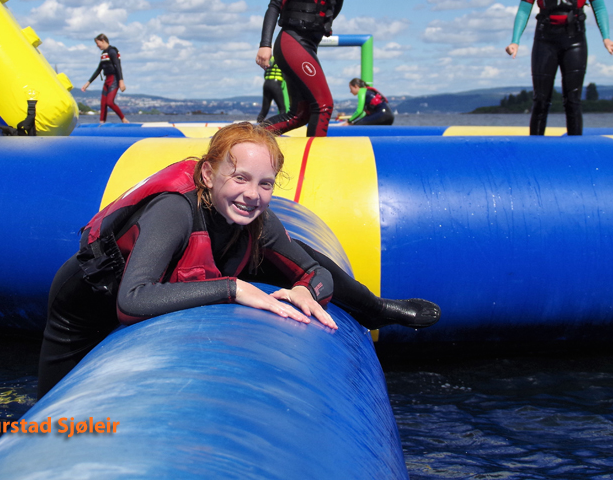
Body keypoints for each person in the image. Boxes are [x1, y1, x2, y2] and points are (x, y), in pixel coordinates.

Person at [38, 122, 440, 397]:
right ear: (208, 175)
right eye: (240, 178)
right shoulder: (173, 211)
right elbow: (132, 301)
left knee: (301, 254)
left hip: (195, 266)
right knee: (56, 426)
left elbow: (316, 272)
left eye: (265, 184)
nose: (252, 194)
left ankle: (374, 309)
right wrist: (233, 289)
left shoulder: (258, 219)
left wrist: (306, 291)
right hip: (87, 308)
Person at [505, 0, 613, 136]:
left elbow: (599, 6)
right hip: (545, 40)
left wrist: (607, 38)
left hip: (574, 40)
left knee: (573, 99)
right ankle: (536, 145)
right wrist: (515, 41)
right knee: (541, 99)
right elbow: (524, 9)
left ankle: (575, 146)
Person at [256, 0, 346, 137]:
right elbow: (274, 5)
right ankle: (316, 159)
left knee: (299, 114)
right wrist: (265, 44)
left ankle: (247, 138)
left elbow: (329, 14)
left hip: (308, 45)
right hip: (293, 42)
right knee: (324, 105)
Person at [81, 33, 128, 124]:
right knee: (103, 103)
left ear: (103, 41)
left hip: (114, 79)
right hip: (107, 80)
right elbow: (99, 69)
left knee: (109, 102)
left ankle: (124, 119)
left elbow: (118, 66)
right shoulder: (103, 54)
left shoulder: (112, 51)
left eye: (97, 43)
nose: (97, 46)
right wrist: (88, 83)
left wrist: (121, 81)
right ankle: (102, 122)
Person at [256, 56, 289, 124]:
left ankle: (258, 123)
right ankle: (281, 124)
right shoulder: (281, 58)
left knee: (265, 109)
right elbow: (285, 73)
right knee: (282, 108)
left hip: (266, 83)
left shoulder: (270, 59)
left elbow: (265, 73)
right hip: (276, 84)